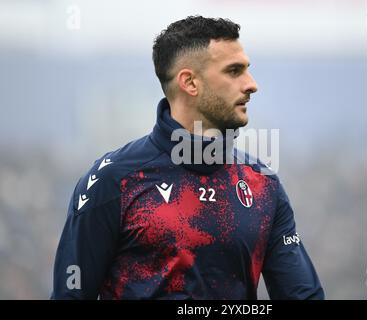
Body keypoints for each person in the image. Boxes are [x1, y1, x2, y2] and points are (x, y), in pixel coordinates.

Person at [51, 16, 324, 300]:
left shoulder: (263, 185)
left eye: (247, 70)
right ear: (190, 82)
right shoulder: (113, 180)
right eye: (234, 71)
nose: (251, 84)